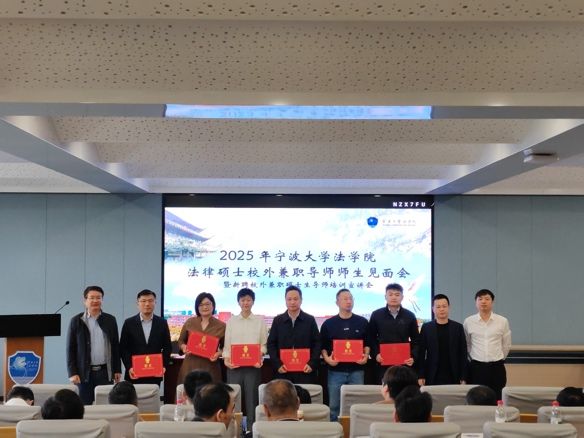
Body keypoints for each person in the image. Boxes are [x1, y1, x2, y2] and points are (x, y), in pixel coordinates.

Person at [66, 285, 122, 405]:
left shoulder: (110, 320)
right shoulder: (76, 321)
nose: (95, 301)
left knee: (105, 406)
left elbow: (115, 346)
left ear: (102, 300)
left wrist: (117, 369)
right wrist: (72, 372)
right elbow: (70, 349)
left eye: (98, 298)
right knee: (84, 407)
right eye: (92, 298)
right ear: (85, 301)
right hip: (84, 373)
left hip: (105, 372)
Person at [320, 288, 369, 421]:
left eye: (351, 298)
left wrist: (366, 356)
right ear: (337, 302)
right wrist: (327, 359)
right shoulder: (329, 324)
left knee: (357, 405)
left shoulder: (362, 322)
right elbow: (323, 346)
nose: (349, 301)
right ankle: (335, 430)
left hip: (357, 370)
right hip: (335, 371)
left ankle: (355, 429)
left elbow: (368, 343)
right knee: (334, 406)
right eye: (345, 299)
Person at [223, 287, 267, 431]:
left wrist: (259, 355)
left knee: (252, 399)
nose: (246, 303)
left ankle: (251, 430)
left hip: (252, 367)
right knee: (233, 399)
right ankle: (235, 429)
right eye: (243, 300)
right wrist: (226, 360)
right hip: (234, 367)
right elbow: (227, 345)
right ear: (238, 302)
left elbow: (263, 345)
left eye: (248, 300)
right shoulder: (231, 321)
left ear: (253, 302)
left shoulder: (260, 321)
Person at [463, 289, 511, 399]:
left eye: (487, 299)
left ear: (492, 302)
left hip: (497, 367)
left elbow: (506, 344)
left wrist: (499, 358)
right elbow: (467, 344)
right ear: (476, 302)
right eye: (480, 299)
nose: (483, 301)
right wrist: (474, 356)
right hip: (476, 367)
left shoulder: (502, 321)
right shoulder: (468, 321)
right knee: (476, 399)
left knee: (497, 398)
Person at [267, 286, 320, 384]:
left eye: (295, 299)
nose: (292, 302)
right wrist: (277, 364)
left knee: (304, 394)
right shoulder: (278, 320)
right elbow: (271, 344)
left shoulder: (309, 320)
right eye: (289, 299)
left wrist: (312, 364)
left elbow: (317, 343)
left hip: (305, 370)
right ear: (285, 301)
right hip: (283, 370)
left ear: (301, 300)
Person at [368, 283, 420, 381]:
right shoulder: (376, 315)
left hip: (404, 364)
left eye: (397, 294)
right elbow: (371, 338)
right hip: (382, 363)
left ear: (402, 297)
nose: (394, 297)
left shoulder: (410, 315)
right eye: (390, 294)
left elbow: (416, 340)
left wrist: (413, 356)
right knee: (384, 389)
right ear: (385, 297)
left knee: (403, 389)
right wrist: (376, 354)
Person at [119, 289, 172, 386]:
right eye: (143, 301)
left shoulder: (162, 323)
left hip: (155, 373)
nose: (147, 304)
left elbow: (167, 347)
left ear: (155, 303)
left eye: (150, 301)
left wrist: (163, 366)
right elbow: (123, 348)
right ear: (138, 303)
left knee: (153, 396)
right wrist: (129, 367)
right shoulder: (129, 323)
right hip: (134, 373)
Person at [418, 294, 468, 386]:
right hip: (432, 374)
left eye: (444, 306)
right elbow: (421, 353)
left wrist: (463, 376)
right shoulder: (426, 328)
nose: (442, 309)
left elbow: (463, 353)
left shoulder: (458, 327)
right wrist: (421, 375)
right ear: (433, 309)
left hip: (454, 374)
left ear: (449, 307)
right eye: (438, 307)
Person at [177, 292, 226, 384]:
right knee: (188, 391)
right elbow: (181, 341)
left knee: (210, 392)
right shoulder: (190, 322)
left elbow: (225, 347)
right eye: (201, 305)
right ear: (197, 307)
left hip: (210, 366)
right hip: (190, 365)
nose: (205, 307)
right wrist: (184, 347)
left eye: (207, 304)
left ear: (213, 305)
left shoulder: (221, 326)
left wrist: (218, 354)